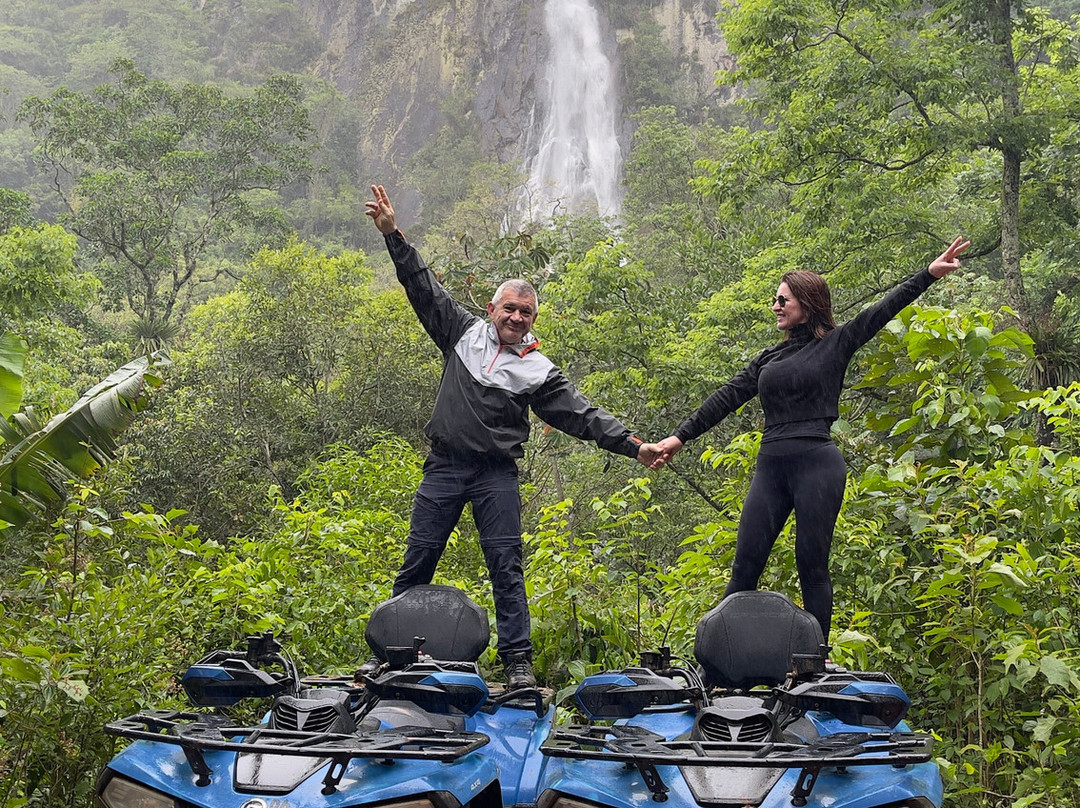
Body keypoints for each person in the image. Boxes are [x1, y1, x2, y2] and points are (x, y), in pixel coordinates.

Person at [363, 184, 661, 689]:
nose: (516, 318)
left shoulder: (539, 370)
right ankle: (389, 654)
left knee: (506, 567)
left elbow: (583, 415)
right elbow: (422, 285)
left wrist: (635, 446)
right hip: (444, 466)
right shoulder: (460, 332)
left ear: (533, 320)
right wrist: (394, 234)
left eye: (526, 313)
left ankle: (517, 663)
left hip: (496, 475)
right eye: (509, 309)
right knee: (418, 560)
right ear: (492, 307)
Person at [648, 237, 970, 639]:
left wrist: (928, 274)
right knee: (745, 566)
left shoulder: (835, 344)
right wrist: (679, 437)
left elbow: (881, 311)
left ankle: (815, 659)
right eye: (775, 300)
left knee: (811, 566)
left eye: (784, 299)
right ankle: (717, 659)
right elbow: (728, 396)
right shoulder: (769, 357)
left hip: (817, 464)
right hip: (771, 466)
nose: (776, 306)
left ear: (808, 303)